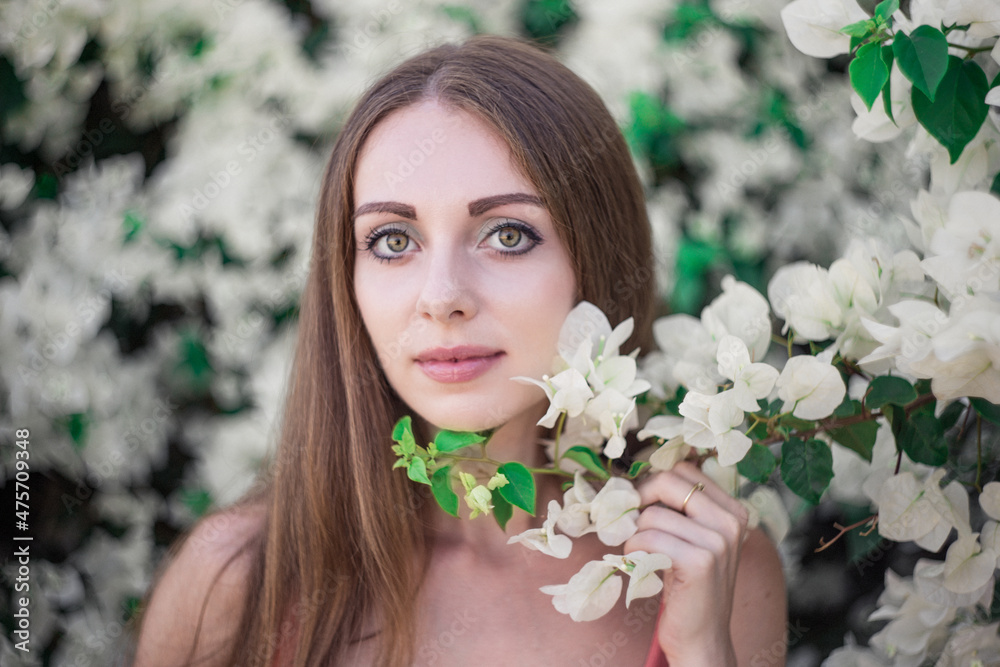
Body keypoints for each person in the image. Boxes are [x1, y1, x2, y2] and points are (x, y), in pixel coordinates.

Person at [130, 34, 786, 667]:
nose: (442, 296)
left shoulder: (710, 570)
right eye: (392, 239)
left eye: (507, 234)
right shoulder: (237, 584)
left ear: (597, 264)